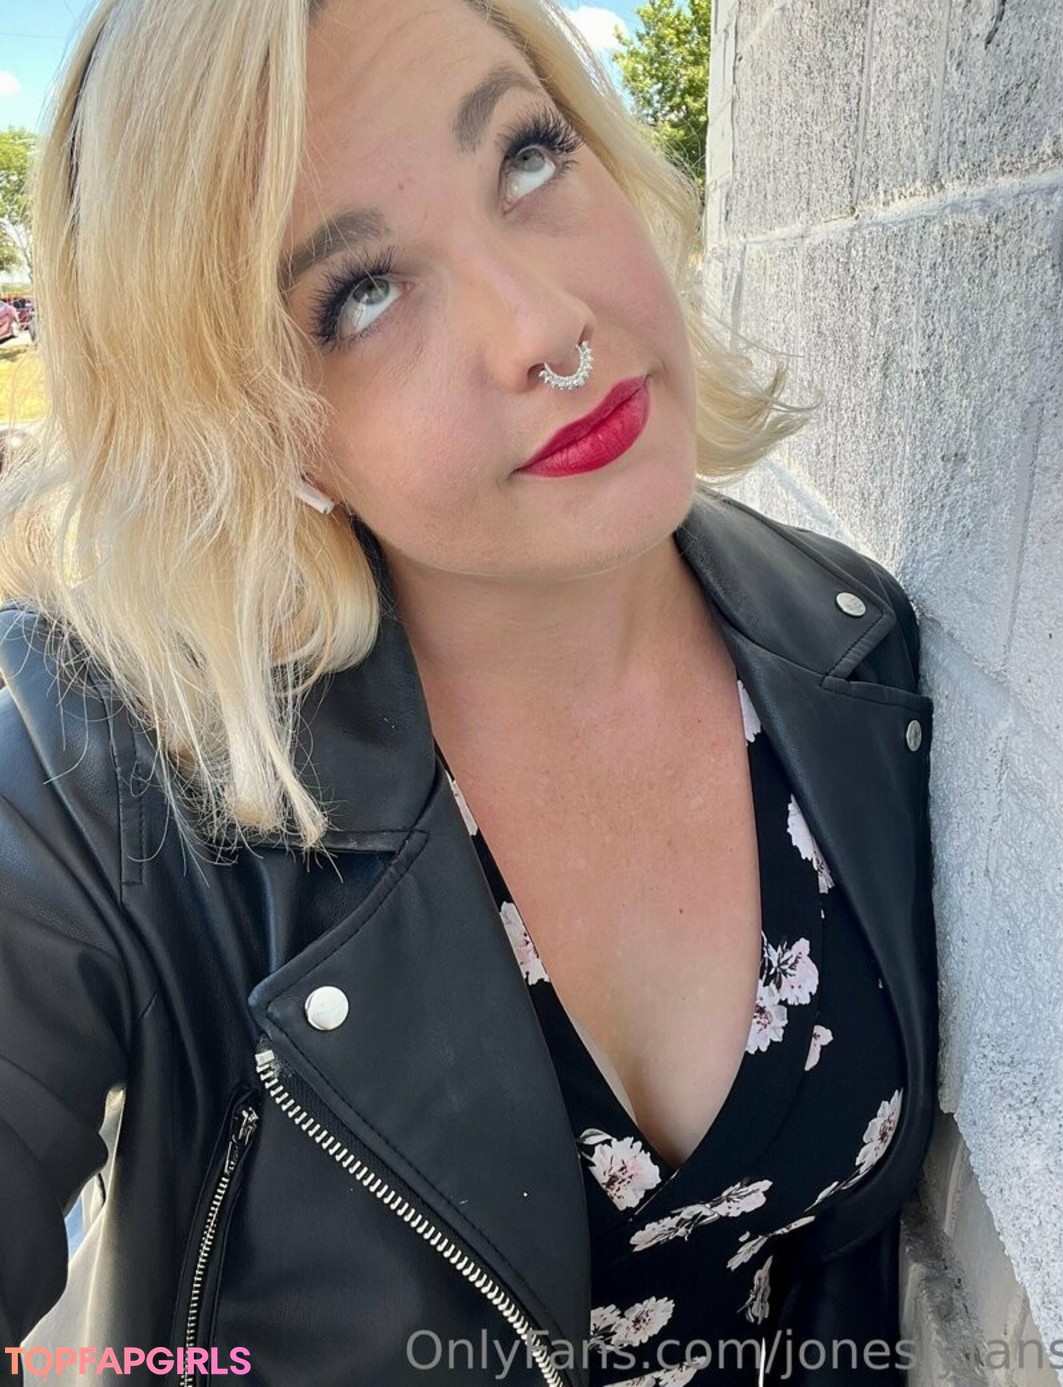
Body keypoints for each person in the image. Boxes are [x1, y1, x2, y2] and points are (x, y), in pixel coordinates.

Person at [0, 0, 938, 1382]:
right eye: (363, 293)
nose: (548, 326)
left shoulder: (854, 654)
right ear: (257, 427)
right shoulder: (111, 776)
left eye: (527, 154)